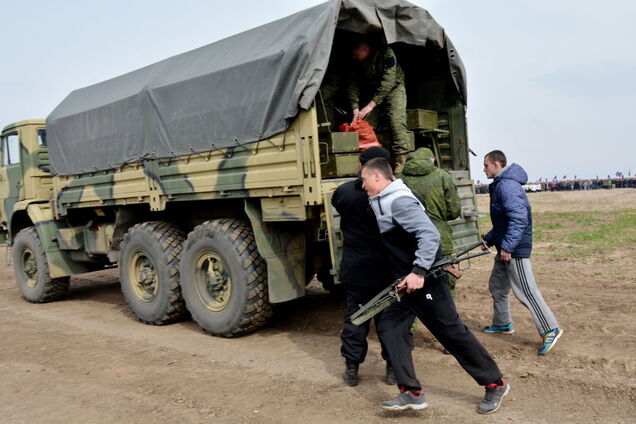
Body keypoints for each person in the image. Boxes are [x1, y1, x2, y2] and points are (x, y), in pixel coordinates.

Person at [360, 157, 509, 415]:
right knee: (389, 326)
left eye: (364, 180)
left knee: (451, 333)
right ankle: (411, 392)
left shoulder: (399, 200)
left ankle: (495, 383)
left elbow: (429, 235)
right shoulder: (383, 200)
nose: (362, 186)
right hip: (406, 283)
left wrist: (418, 271)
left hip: (425, 279)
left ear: (376, 177)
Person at [331, 147, 407, 386]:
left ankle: (352, 368)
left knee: (356, 318)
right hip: (388, 269)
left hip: (357, 268)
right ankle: (393, 368)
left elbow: (339, 206)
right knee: (390, 321)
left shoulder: (343, 193)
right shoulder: (395, 195)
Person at [482, 150, 564, 355]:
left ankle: (550, 329)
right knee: (497, 286)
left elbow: (519, 219)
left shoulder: (507, 186)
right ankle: (502, 323)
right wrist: (489, 239)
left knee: (526, 290)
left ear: (497, 165)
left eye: (486, 165)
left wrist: (509, 246)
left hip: (514, 249)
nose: (484, 169)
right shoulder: (501, 184)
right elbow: (503, 222)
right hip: (504, 247)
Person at [399, 147, 462, 298]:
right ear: (432, 160)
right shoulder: (442, 176)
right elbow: (454, 211)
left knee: (409, 284)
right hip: (440, 238)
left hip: (409, 239)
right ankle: (448, 318)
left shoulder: (399, 179)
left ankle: (411, 321)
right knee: (446, 283)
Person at [347, 40, 410, 173]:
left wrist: (370, 106)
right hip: (373, 88)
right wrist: (355, 108)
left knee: (396, 120)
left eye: (356, 54)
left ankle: (401, 161)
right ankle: (371, 162)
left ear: (365, 50)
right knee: (365, 124)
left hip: (394, 86)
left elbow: (388, 82)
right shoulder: (356, 62)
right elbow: (352, 84)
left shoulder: (386, 53)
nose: (354, 57)